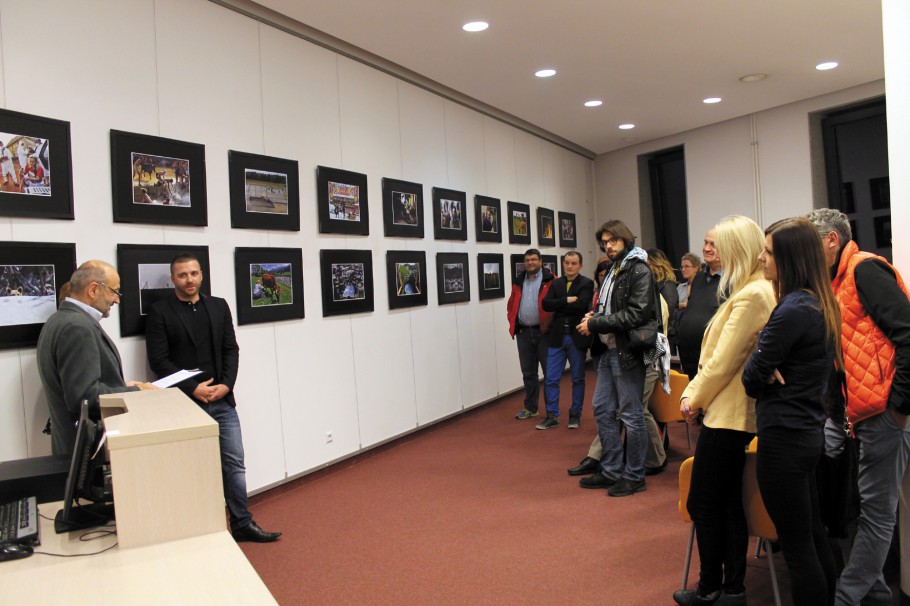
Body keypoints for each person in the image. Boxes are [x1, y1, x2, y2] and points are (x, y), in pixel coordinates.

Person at [807, 208, 910, 606]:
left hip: (882, 412)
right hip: (856, 414)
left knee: (877, 514)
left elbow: (907, 335)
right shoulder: (835, 280)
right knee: (865, 510)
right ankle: (877, 593)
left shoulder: (865, 270)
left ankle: (846, 598)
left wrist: (898, 406)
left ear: (832, 240)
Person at [672, 216, 776, 606]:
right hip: (729, 412)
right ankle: (729, 588)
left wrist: (691, 398)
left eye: (720, 245)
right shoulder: (753, 289)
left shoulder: (751, 294)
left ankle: (712, 587)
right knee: (726, 502)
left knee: (705, 502)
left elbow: (721, 362)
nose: (712, 252)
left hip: (729, 416)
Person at [145, 253, 282, 544]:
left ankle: (242, 523)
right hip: (185, 404)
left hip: (221, 401)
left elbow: (231, 350)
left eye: (194, 273)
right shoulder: (160, 312)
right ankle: (199, 530)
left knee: (234, 464)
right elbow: (159, 361)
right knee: (190, 469)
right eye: (182, 275)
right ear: (173, 279)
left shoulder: (218, 307)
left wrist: (226, 385)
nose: (189, 279)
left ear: (201, 275)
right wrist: (193, 388)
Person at [742, 217, 840, 606]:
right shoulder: (818, 301)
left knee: (800, 548)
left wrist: (761, 366)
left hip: (783, 440)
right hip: (805, 434)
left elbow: (751, 379)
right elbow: (763, 370)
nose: (762, 259)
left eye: (768, 252)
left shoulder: (793, 309)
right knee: (813, 536)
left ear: (789, 258)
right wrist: (766, 365)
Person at [36, 260, 156, 455]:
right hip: (87, 453)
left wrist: (122, 387)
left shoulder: (59, 319)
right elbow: (84, 397)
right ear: (93, 289)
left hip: (75, 447)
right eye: (114, 292)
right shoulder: (77, 327)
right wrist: (136, 391)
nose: (117, 300)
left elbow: (81, 384)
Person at [576, 220, 656, 497]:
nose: (608, 246)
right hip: (609, 350)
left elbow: (638, 314)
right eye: (605, 242)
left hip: (628, 351)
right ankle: (611, 469)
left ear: (625, 239)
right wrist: (594, 316)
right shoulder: (613, 269)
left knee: (632, 415)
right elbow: (608, 306)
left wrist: (597, 323)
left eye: (613, 240)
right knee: (601, 408)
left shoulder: (639, 270)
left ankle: (634, 476)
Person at [537, 251, 594, 429]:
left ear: (580, 265)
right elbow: (546, 304)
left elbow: (582, 305)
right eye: (567, 263)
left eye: (574, 263)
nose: (570, 266)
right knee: (551, 378)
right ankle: (552, 415)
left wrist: (560, 304)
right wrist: (566, 300)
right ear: (563, 264)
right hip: (557, 337)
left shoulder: (586, 283)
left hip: (576, 337)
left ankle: (575, 414)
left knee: (577, 378)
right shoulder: (557, 283)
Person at [507, 248, 555, 420]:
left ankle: (551, 411)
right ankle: (531, 408)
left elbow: (557, 305)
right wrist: (512, 318)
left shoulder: (551, 280)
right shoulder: (519, 281)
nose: (530, 263)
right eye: (527, 260)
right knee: (528, 373)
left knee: (549, 373)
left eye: (534, 259)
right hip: (523, 333)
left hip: (544, 333)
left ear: (540, 261)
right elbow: (511, 303)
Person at [676, 231, 723, 379]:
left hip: (712, 362)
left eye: (713, 244)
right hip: (689, 359)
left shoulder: (732, 280)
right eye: (705, 242)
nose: (706, 248)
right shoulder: (699, 278)